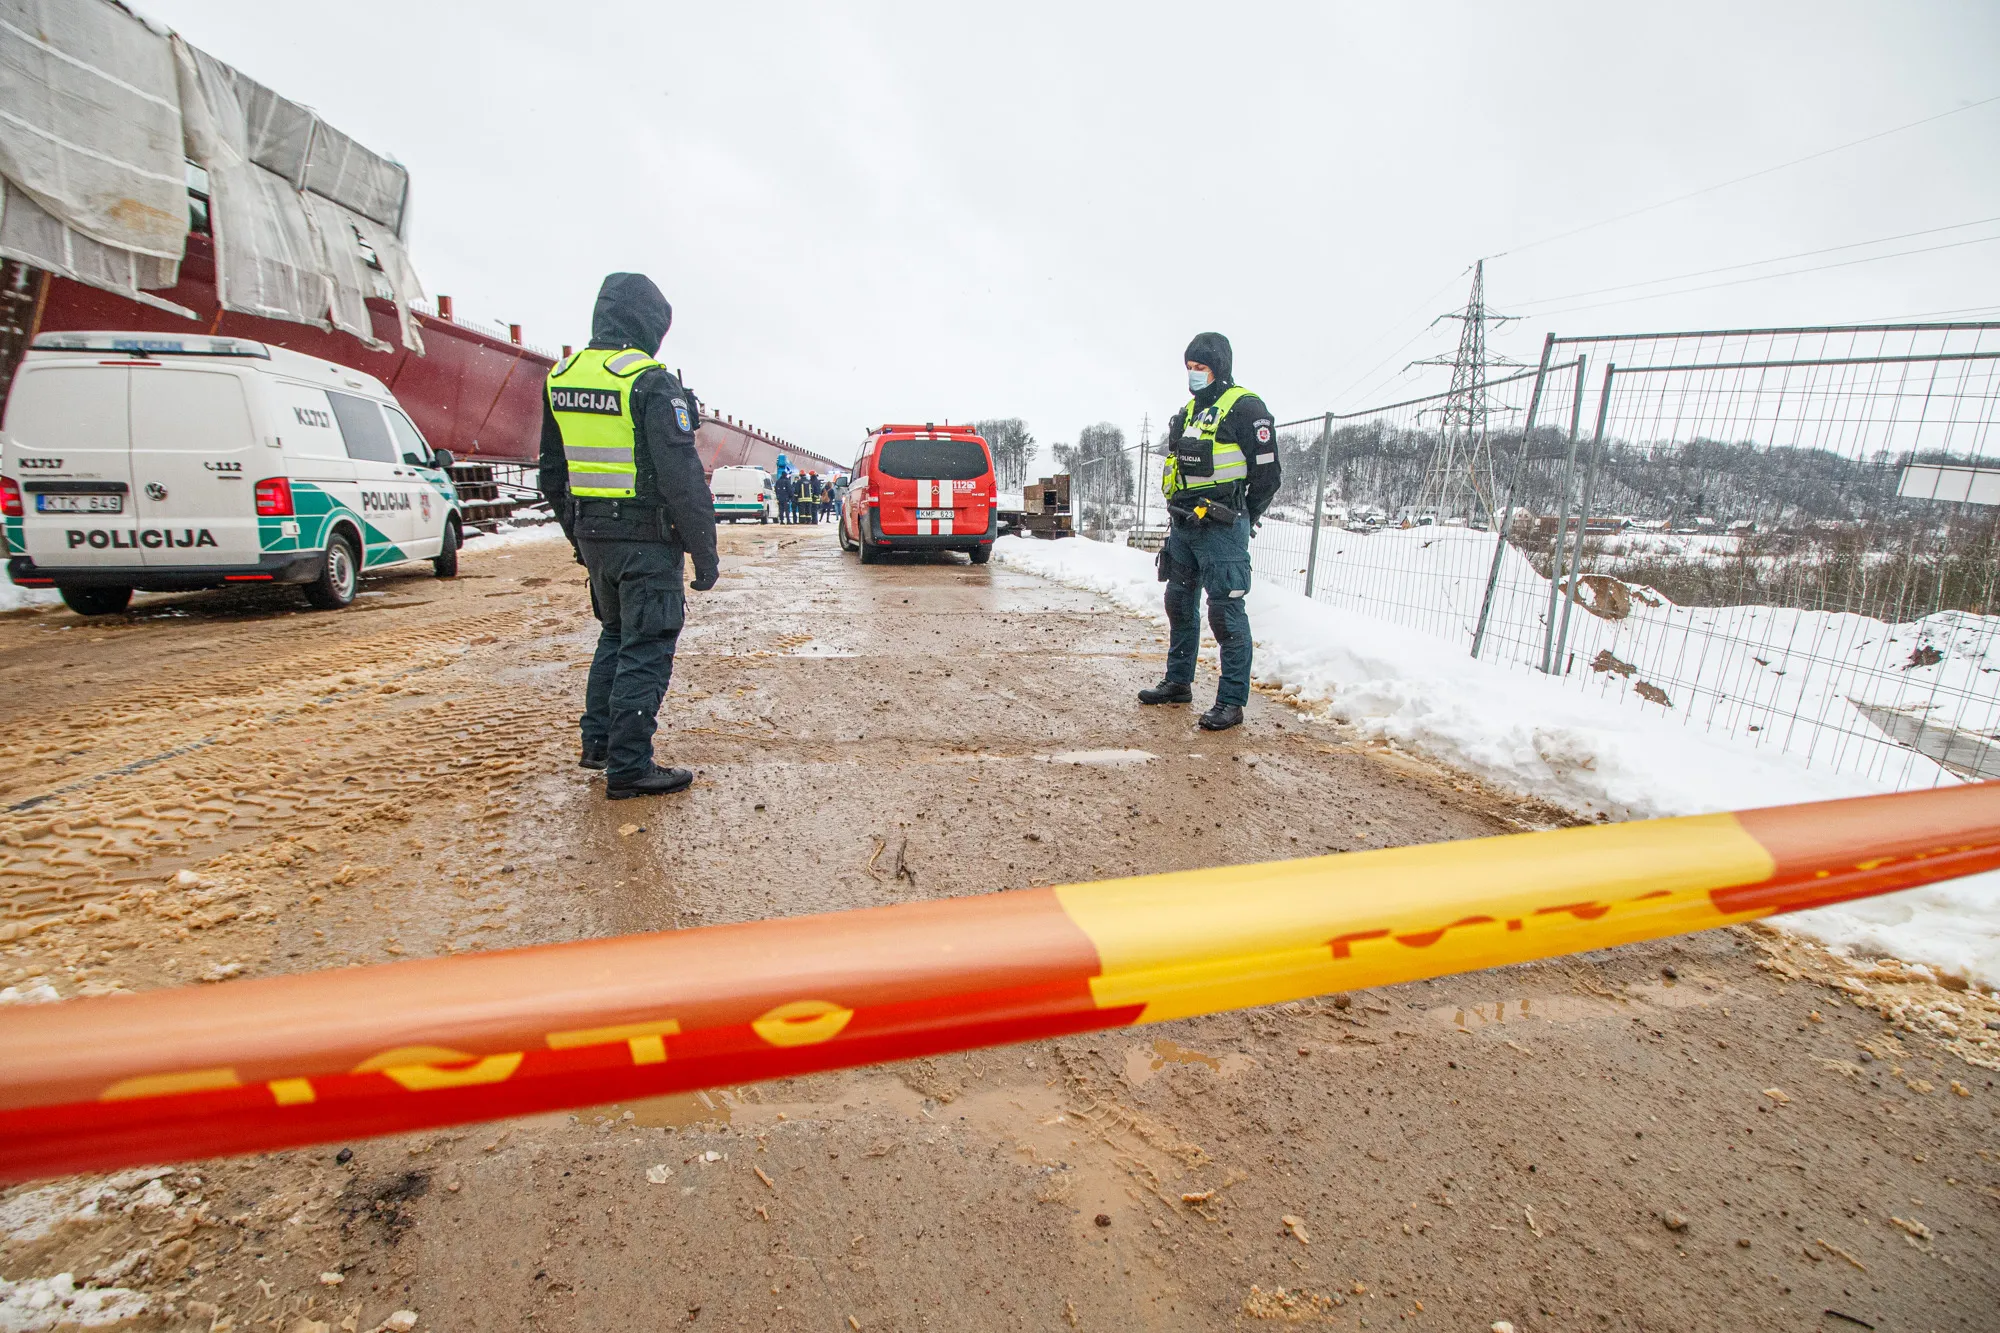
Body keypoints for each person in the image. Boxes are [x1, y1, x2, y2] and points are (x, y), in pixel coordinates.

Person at [539, 272, 719, 800]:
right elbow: (682, 478)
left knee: (615, 636)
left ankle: (598, 745)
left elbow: (551, 470)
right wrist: (704, 553)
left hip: (597, 536)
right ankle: (629, 766)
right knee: (648, 645)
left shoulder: (563, 376)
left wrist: (579, 535)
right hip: (647, 539)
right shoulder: (649, 381)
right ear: (650, 322)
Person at [1137, 332, 1280, 731]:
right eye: (1190, 367)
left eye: (1201, 367)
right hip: (1183, 526)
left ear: (1220, 368)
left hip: (1222, 529)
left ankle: (1231, 702)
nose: (1194, 374)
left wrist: (1243, 516)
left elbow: (1268, 475)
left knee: (1225, 614)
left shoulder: (1246, 407)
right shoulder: (1187, 414)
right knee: (1179, 604)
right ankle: (1178, 682)